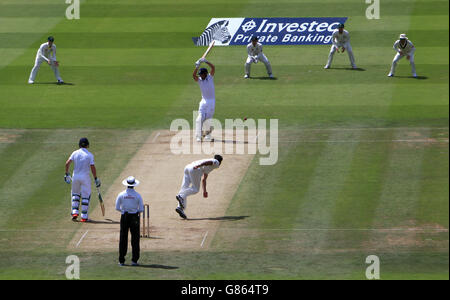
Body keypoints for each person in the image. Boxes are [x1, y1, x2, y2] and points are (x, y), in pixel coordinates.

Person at [175, 155, 223, 219]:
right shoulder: (216, 162)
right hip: (195, 169)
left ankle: (180, 208)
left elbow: (204, 180)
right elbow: (210, 162)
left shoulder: (209, 168)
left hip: (187, 167)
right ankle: (180, 196)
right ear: (220, 161)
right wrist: (199, 166)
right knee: (195, 189)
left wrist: (205, 191)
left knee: (184, 189)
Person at [64, 138, 101, 222]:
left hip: (75, 177)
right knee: (86, 195)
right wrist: (95, 178)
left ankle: (74, 212)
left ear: (79, 145)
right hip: (85, 177)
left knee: (75, 194)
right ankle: (84, 216)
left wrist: (66, 173)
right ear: (87, 145)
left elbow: (67, 163)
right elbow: (92, 167)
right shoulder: (89, 155)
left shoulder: (75, 153)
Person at [115, 176, 144, 266]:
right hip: (134, 217)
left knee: (123, 238)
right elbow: (141, 209)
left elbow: (117, 207)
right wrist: (135, 212)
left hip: (124, 216)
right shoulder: (137, 195)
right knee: (135, 239)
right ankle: (134, 261)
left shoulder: (121, 194)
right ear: (134, 185)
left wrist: (123, 211)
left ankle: (121, 261)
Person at [193, 58, 216, 142]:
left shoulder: (210, 77)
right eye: (200, 74)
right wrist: (197, 66)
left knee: (208, 120)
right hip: (203, 101)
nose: (200, 76)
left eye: (202, 74)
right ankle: (198, 136)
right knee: (199, 119)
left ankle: (208, 135)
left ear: (206, 74)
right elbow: (194, 76)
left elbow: (213, 68)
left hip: (211, 101)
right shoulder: (199, 80)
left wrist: (206, 61)